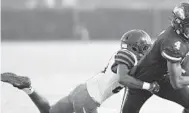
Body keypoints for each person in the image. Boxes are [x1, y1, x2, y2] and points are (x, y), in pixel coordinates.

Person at [1, 29, 160, 113]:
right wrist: (148, 86)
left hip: (82, 91)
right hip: (88, 100)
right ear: (135, 46)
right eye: (144, 47)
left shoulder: (126, 55)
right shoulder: (128, 55)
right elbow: (124, 79)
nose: (146, 50)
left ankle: (27, 87)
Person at [121, 2, 189, 113]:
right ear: (179, 24)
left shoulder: (185, 29)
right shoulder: (172, 43)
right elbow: (177, 83)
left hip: (163, 77)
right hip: (141, 80)